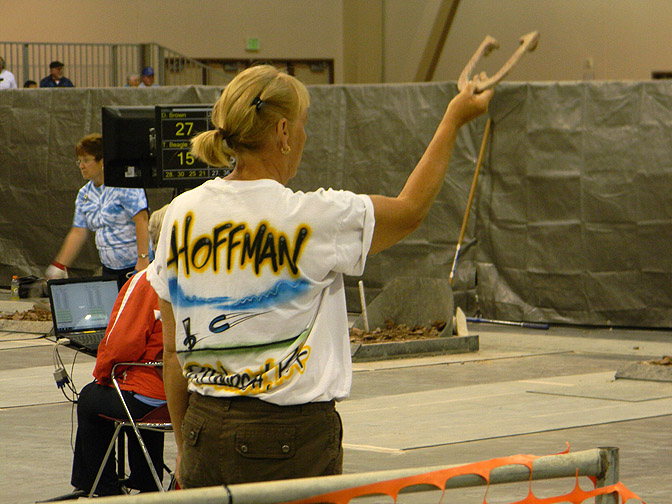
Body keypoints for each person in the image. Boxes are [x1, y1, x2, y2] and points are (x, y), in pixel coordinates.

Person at [147, 64, 492, 488]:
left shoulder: (180, 214)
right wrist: (453, 119)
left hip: (203, 426)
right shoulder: (312, 217)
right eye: (304, 127)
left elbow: (171, 353)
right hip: (289, 440)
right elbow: (411, 209)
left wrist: (186, 448)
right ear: (284, 132)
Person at [50, 206, 170, 500]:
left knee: (93, 396)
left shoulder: (145, 281)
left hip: (153, 397)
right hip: (188, 395)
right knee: (137, 389)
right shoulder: (205, 277)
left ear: (156, 239)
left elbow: (119, 346)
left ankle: (100, 488)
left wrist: (104, 374)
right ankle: (146, 479)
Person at [46, 133, 151, 289]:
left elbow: (141, 220)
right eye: (79, 161)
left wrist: (143, 259)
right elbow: (78, 232)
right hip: (109, 269)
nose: (81, 166)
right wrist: (59, 265)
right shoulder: (84, 194)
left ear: (102, 161)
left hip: (135, 267)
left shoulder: (125, 186)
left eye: (86, 161)